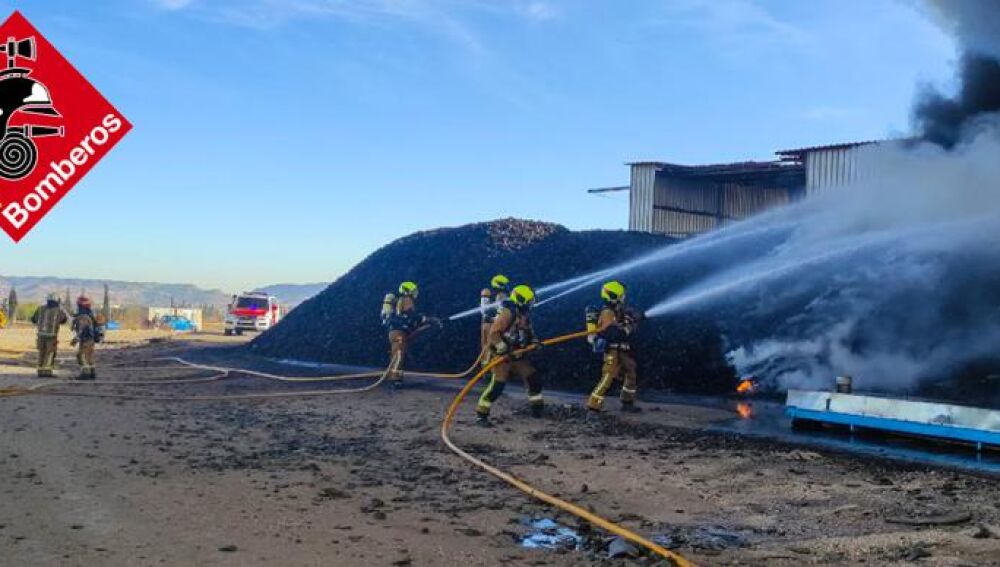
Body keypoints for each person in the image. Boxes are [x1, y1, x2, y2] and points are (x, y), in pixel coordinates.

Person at [476, 284, 544, 426]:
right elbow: (494, 334)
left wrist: (535, 342)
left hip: (517, 356)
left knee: (533, 378)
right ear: (521, 299)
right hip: (503, 358)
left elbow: (529, 333)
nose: (532, 304)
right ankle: (481, 415)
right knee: (498, 385)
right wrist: (503, 349)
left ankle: (537, 410)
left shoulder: (524, 315)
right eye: (530, 301)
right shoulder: (508, 313)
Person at [586, 280, 642, 413]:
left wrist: (633, 319)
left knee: (631, 371)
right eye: (621, 296)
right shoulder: (607, 313)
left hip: (621, 350)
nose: (624, 298)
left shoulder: (618, 311)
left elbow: (626, 325)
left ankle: (627, 402)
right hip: (612, 350)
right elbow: (613, 332)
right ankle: (593, 406)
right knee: (608, 376)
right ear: (613, 296)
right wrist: (627, 326)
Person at [382, 281, 438, 387]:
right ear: (408, 291)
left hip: (396, 332)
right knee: (398, 355)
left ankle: (395, 378)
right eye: (414, 291)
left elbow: (409, 319)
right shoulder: (407, 299)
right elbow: (412, 315)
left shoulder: (400, 301)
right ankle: (395, 380)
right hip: (399, 333)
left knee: (397, 353)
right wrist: (429, 319)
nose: (415, 293)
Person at [31, 293, 68, 378]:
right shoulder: (58, 310)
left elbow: (33, 319)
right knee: (50, 353)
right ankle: (47, 372)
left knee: (41, 352)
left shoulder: (40, 309)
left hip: (40, 335)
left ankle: (40, 371)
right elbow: (64, 320)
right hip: (51, 336)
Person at [70, 296, 99, 380]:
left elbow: (81, 330)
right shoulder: (89, 314)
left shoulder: (83, 317)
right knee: (89, 357)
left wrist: (75, 339)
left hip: (85, 340)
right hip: (91, 340)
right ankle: (92, 373)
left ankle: (85, 374)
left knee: (81, 356)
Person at [479, 274, 510, 351]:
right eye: (503, 284)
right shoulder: (488, 293)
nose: (505, 286)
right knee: (490, 338)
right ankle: (488, 357)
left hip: (500, 319)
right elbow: (484, 311)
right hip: (490, 321)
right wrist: (494, 318)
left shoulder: (503, 294)